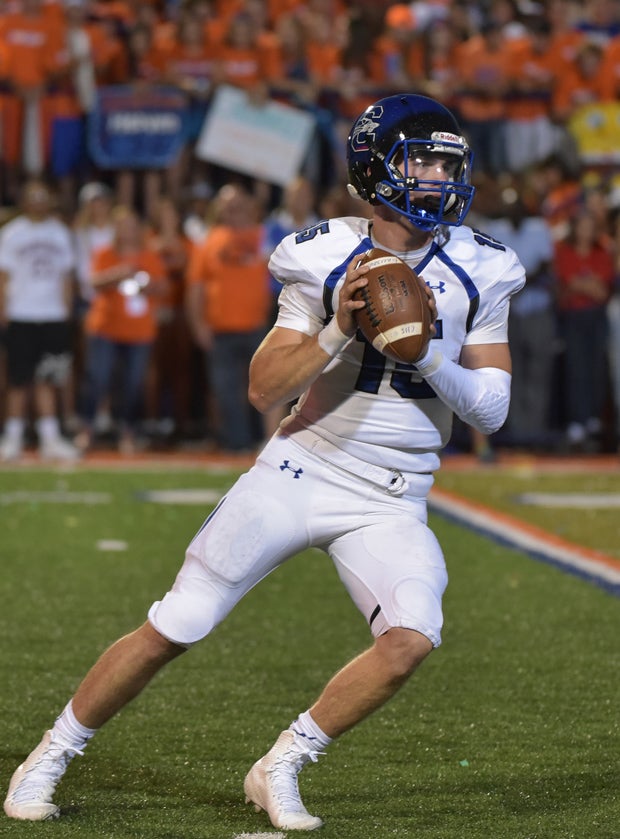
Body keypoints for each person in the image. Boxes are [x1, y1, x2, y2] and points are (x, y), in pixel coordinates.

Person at [3, 94, 525, 831]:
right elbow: (262, 387)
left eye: (449, 161)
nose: (441, 176)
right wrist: (342, 328)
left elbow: (493, 409)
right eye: (425, 160)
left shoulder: (485, 265)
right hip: (302, 467)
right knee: (177, 621)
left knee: (411, 635)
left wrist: (427, 350)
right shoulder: (321, 254)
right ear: (377, 168)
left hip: (394, 494)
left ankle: (282, 759)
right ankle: (50, 752)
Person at [0, 179, 79, 462]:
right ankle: (12, 438)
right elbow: (3, 276)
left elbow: (67, 276)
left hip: (52, 315)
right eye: (32, 196)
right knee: (18, 380)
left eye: (42, 196)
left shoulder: (60, 233)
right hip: (21, 313)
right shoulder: (11, 234)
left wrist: (66, 310)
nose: (38, 202)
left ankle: (49, 437)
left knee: (49, 378)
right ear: (24, 201)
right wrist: (3, 312)